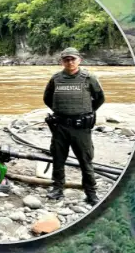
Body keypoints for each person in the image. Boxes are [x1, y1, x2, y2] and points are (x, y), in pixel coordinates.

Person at [43, 47, 106, 205]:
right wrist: (61, 112)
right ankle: (57, 189)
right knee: (58, 158)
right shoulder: (56, 79)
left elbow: (99, 98)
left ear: (79, 60)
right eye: (66, 59)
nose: (69, 62)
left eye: (72, 59)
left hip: (81, 128)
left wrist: (85, 112)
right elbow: (47, 98)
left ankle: (91, 193)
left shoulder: (89, 78)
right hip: (60, 126)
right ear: (62, 62)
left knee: (85, 160)